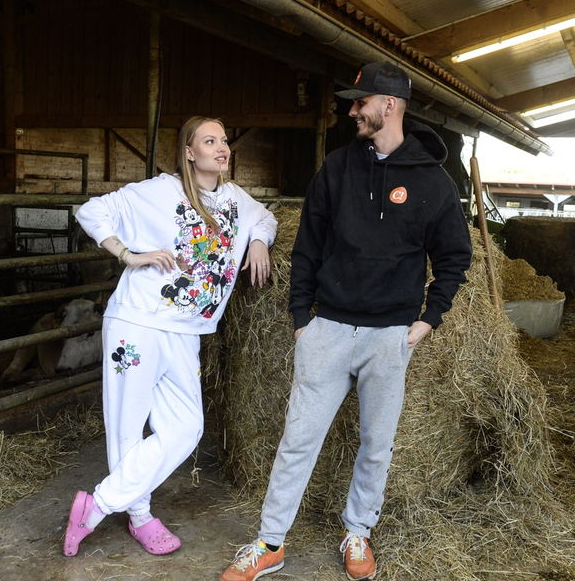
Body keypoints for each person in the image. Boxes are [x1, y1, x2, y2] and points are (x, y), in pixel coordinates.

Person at [219, 62, 472, 581]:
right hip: (328, 330)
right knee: (298, 439)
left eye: (361, 102)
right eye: (352, 102)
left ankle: (357, 530)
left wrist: (427, 321)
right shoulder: (336, 167)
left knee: (377, 444)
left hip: (389, 336)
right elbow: (308, 246)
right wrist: (300, 320)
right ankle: (270, 543)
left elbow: (454, 258)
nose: (352, 110)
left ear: (390, 106)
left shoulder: (432, 181)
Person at [64, 116, 277, 558]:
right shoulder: (159, 192)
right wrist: (130, 255)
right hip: (138, 323)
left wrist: (258, 240)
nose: (222, 148)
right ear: (189, 151)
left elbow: (269, 218)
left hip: (186, 332)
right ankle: (140, 517)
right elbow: (91, 211)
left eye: (224, 140)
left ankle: (97, 504)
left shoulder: (237, 200)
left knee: (186, 427)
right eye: (210, 141)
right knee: (128, 425)